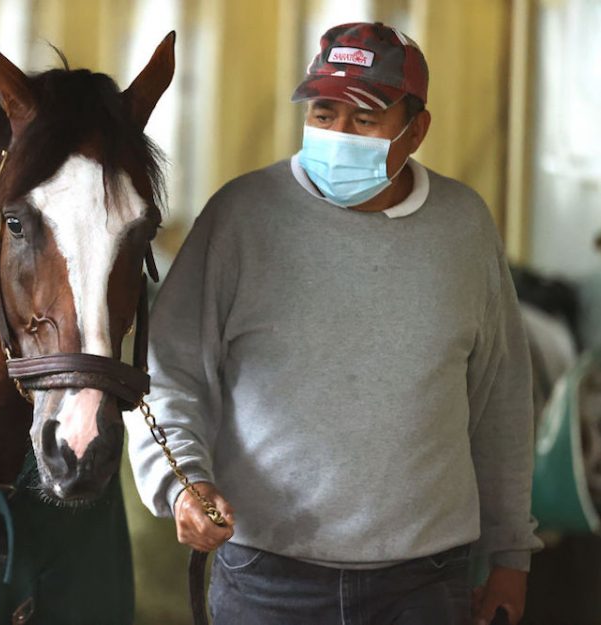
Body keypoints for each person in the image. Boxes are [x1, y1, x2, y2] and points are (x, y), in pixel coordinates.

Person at [126, 21, 541, 625]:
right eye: (323, 114)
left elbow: (501, 398)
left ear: (416, 129)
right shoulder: (240, 217)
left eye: (365, 121)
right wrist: (182, 481)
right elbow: (169, 370)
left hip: (425, 581)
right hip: (267, 576)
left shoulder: (464, 227)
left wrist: (510, 555)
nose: (338, 134)